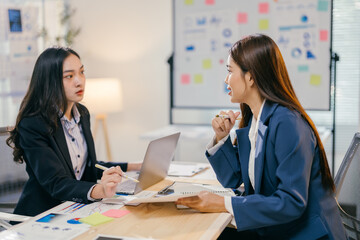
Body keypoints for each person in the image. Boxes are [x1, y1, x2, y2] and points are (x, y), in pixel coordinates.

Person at [176, 34, 346, 239]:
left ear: (251, 77)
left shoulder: (287, 123)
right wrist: (222, 138)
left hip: (303, 234)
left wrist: (223, 203)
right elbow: (234, 178)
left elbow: (291, 202)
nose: (226, 79)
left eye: (230, 71)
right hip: (279, 227)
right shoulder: (257, 119)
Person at [6, 47, 141, 217]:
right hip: (44, 215)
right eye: (69, 76)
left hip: (77, 209)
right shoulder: (33, 124)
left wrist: (135, 167)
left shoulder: (82, 113)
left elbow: (87, 166)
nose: (79, 81)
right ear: (50, 81)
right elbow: (56, 183)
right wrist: (100, 190)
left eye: (82, 72)